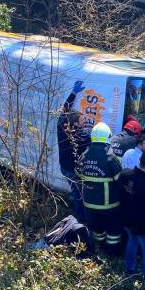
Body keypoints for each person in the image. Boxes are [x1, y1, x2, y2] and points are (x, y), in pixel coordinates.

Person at [77, 122, 123, 255]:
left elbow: (78, 174)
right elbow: (119, 179)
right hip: (109, 204)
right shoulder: (111, 157)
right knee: (113, 230)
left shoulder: (84, 155)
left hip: (89, 203)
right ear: (108, 136)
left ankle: (99, 247)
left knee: (97, 228)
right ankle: (112, 253)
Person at [118, 149, 145, 283]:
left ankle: (129, 268)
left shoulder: (125, 174)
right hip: (144, 226)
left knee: (132, 241)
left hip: (127, 219)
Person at [57, 80, 90, 221]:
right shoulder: (81, 137)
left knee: (75, 191)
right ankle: (81, 220)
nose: (85, 120)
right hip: (72, 170)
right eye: (82, 120)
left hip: (64, 167)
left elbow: (64, 109)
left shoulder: (62, 126)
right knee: (79, 196)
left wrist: (74, 93)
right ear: (75, 123)